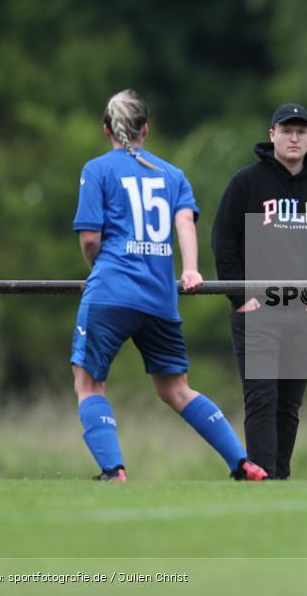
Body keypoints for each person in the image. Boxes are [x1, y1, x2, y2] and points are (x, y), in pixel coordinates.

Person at [71, 89, 265, 481]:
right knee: (176, 389)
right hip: (159, 297)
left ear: (106, 129)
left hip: (110, 292)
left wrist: (99, 268)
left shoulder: (97, 169)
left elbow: (91, 239)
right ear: (146, 128)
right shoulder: (172, 174)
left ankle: (114, 470)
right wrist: (191, 269)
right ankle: (242, 463)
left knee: (89, 384)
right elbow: (185, 224)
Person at [212, 103, 307, 480]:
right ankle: (263, 476)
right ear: (271, 133)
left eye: (301, 131)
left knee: (289, 403)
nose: (294, 137)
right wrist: (241, 297)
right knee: (260, 397)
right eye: (286, 130)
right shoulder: (247, 182)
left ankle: (280, 479)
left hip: (306, 311)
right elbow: (223, 240)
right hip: (258, 310)